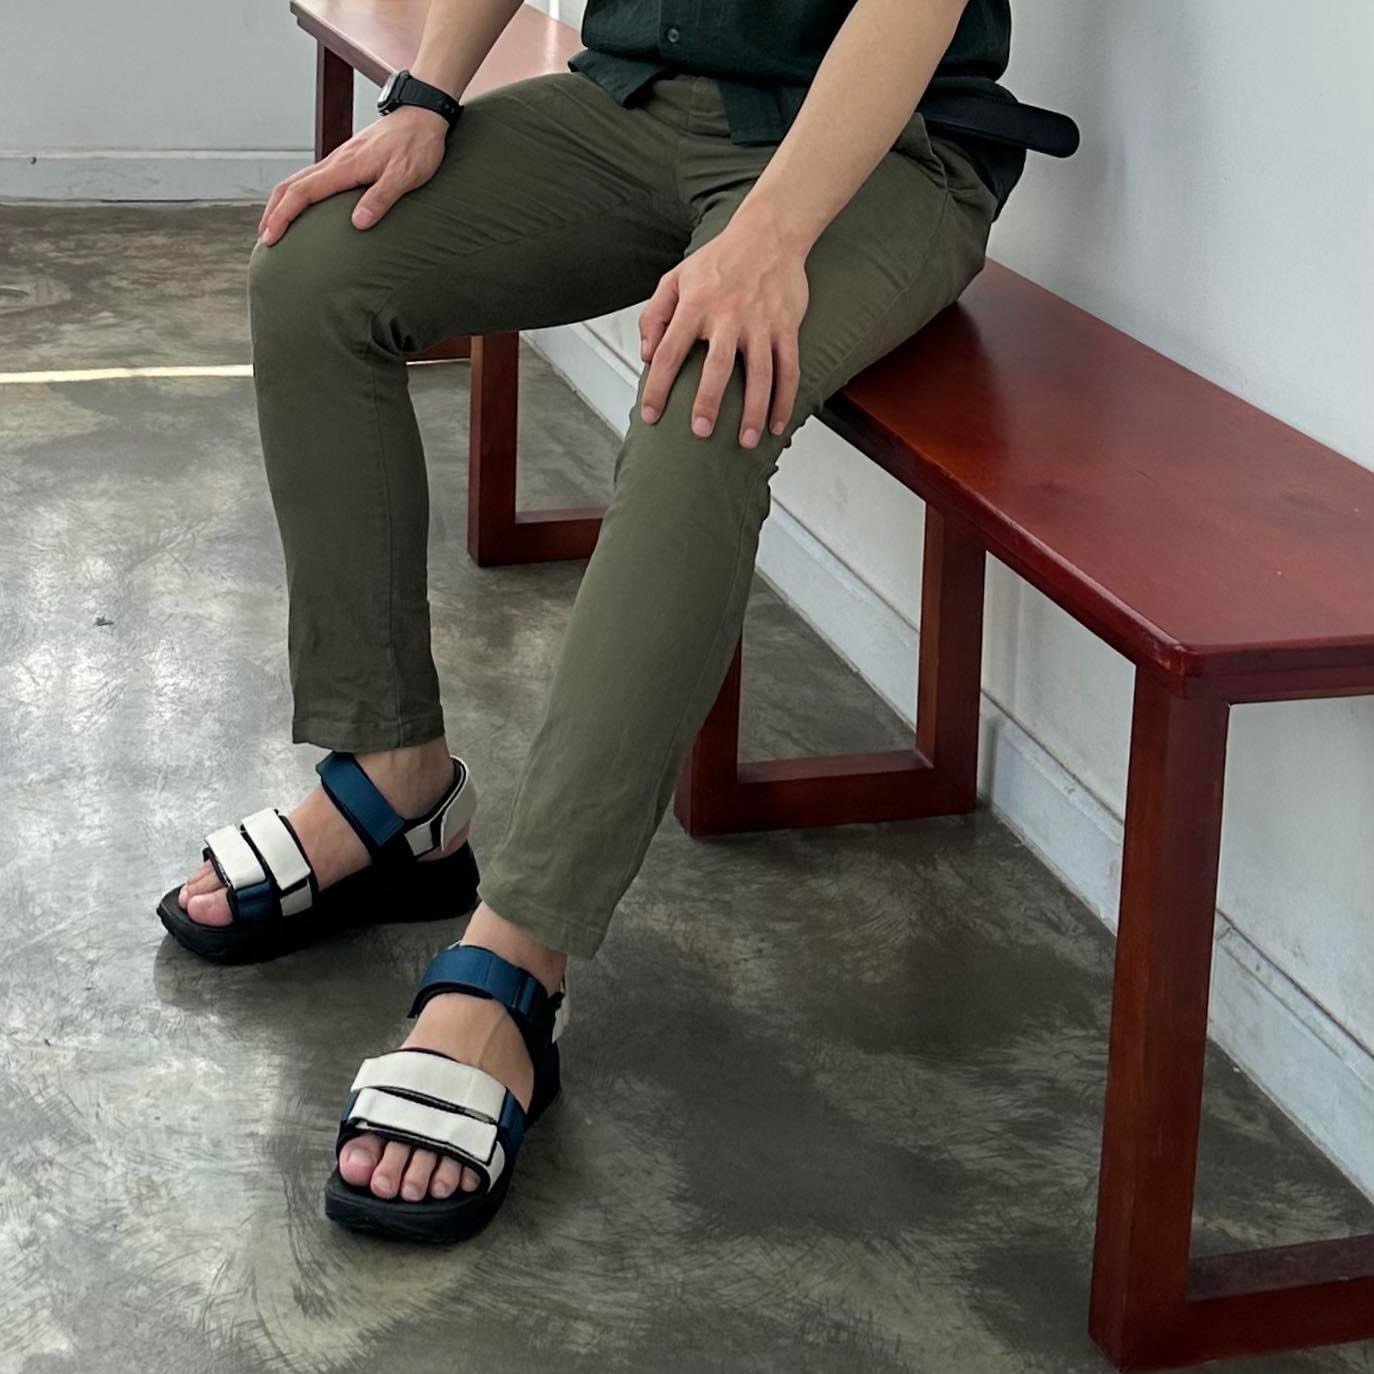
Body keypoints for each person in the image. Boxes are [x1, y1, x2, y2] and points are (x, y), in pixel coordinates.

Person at [157, 0, 1071, 1242]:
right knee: (318, 267)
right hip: (636, 101)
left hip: (885, 151)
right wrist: (424, 99)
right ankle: (395, 780)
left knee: (710, 392)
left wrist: (769, 236)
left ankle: (519, 952)